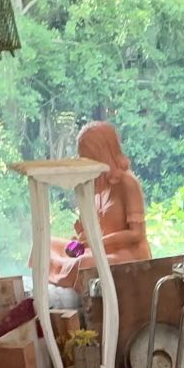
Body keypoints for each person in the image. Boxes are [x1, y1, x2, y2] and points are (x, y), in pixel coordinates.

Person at [49, 121, 152, 289]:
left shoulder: (127, 182)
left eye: (89, 157)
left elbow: (136, 235)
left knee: (84, 263)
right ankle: (55, 285)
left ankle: (66, 285)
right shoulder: (97, 188)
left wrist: (95, 243)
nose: (86, 163)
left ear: (103, 154)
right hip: (100, 250)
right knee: (46, 245)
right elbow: (95, 233)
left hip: (127, 255)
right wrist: (82, 236)